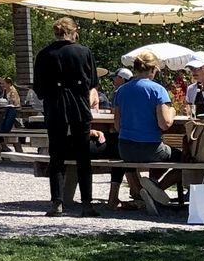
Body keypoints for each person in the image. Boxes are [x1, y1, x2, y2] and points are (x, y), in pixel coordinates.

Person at [33, 16, 100, 217]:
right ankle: (87, 204)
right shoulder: (84, 52)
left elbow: (39, 88)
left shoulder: (44, 54)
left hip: (55, 106)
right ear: (74, 31)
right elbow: (92, 82)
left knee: (57, 156)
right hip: (79, 106)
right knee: (83, 156)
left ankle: (57, 203)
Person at [113, 54, 178, 202]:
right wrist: (172, 111)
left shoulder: (121, 91)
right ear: (153, 69)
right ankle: (156, 189)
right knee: (185, 159)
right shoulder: (158, 90)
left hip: (125, 149)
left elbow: (117, 126)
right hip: (150, 149)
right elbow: (165, 124)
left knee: (159, 154)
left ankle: (146, 189)